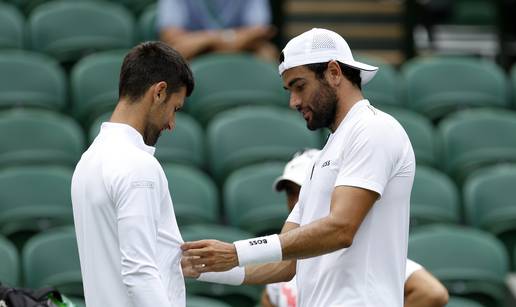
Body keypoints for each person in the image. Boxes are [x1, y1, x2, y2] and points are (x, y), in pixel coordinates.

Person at [181, 28, 416, 307]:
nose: (293, 101)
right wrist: (199, 268)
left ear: (334, 73)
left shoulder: (374, 128)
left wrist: (236, 251)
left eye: (300, 86)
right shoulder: (324, 156)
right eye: (289, 90)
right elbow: (286, 262)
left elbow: (341, 228)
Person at [71, 41, 194, 307]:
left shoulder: (87, 161)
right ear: (159, 92)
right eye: (175, 108)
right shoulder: (137, 165)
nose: (171, 124)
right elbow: (140, 273)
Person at [261, 149, 449, 307]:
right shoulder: (283, 264)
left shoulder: (365, 253)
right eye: (290, 193)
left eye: (304, 192)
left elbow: (432, 293)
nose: (296, 202)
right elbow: (269, 299)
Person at [157, 0, 278, 61]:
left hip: (243, 47)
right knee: (176, 52)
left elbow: (261, 31)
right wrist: (228, 39)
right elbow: (171, 35)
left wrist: (207, 41)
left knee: (267, 51)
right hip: (195, 52)